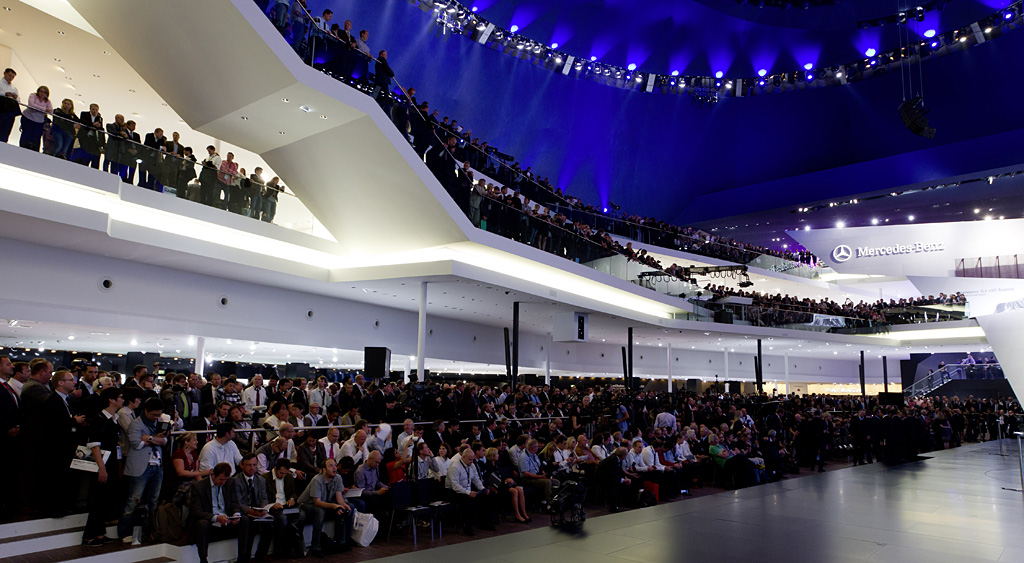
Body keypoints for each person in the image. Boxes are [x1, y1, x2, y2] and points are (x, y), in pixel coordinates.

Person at [118, 398, 168, 542]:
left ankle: (150, 530)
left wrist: (148, 438)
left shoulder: (160, 423)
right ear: (145, 411)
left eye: (159, 415)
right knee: (133, 500)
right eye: (154, 415)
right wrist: (153, 439)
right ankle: (124, 532)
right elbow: (136, 443)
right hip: (140, 466)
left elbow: (164, 441)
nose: (156, 418)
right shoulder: (135, 424)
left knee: (153, 500)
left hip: (157, 465)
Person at [82, 386, 124, 545]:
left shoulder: (113, 419)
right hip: (103, 464)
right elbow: (94, 445)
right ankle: (89, 536)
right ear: (111, 400)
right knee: (98, 500)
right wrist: (102, 467)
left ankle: (99, 533)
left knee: (105, 499)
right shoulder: (100, 419)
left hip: (111, 463)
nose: (122, 400)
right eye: (119, 397)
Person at [189, 462, 250, 563]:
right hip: (210, 519)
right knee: (202, 524)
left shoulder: (230, 482)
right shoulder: (199, 486)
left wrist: (236, 515)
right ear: (213, 475)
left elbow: (235, 503)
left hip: (226, 518)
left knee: (244, 520)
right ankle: (203, 559)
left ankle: (242, 557)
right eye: (221, 479)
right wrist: (216, 518)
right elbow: (196, 511)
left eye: (225, 480)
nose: (223, 482)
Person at [295, 458, 354, 557]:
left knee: (348, 507)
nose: (334, 468)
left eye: (335, 465)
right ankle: (316, 547)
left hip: (324, 502)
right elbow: (317, 502)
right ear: (324, 470)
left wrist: (343, 505)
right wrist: (335, 506)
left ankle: (341, 542)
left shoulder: (338, 478)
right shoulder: (317, 480)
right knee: (320, 511)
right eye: (330, 466)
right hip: (305, 505)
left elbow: (339, 498)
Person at [231, 453, 278, 561]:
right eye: (248, 465)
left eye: (254, 465)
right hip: (244, 511)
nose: (252, 468)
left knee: (270, 522)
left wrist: (262, 509)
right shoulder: (235, 481)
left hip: (257, 510)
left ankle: (261, 553)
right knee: (247, 523)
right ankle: (244, 557)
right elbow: (238, 502)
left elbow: (264, 498)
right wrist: (251, 511)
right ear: (242, 466)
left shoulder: (260, 480)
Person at [446, 446, 495, 535]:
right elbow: (455, 486)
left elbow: (476, 479)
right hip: (454, 492)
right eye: (469, 459)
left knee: (487, 497)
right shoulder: (454, 467)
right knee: (467, 501)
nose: (472, 461)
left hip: (467, 489)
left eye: (472, 459)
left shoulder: (471, 465)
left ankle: (485, 523)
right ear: (463, 457)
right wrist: (468, 493)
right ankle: (467, 527)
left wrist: (482, 488)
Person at [263, 458, 299, 557]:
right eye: (281, 473)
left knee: (301, 515)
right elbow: (263, 497)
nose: (283, 476)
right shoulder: (265, 478)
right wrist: (272, 504)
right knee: (282, 519)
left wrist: (292, 499)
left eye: (285, 473)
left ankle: (294, 547)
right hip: (272, 506)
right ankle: (278, 550)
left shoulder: (289, 477)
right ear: (275, 469)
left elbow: (293, 493)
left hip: (285, 505)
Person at [595, 447, 631, 512]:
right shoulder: (613, 459)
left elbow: (619, 470)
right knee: (614, 485)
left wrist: (625, 477)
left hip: (608, 475)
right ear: (623, 456)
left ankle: (622, 503)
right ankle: (613, 506)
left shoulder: (616, 458)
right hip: (602, 477)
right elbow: (611, 474)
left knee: (621, 482)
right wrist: (622, 480)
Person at [353, 450, 389, 515]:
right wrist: (377, 492)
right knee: (376, 502)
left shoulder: (375, 467)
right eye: (376, 462)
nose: (377, 465)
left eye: (378, 463)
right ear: (370, 459)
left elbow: (377, 482)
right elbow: (361, 492)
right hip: (366, 496)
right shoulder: (360, 472)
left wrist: (386, 487)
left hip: (374, 493)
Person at [19, 85, 52, 152]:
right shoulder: (33, 96)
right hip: (28, 118)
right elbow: (31, 105)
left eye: (44, 92)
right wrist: (44, 109)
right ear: (38, 91)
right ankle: (21, 148)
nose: (42, 93)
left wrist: (38, 108)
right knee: (26, 134)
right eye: (41, 91)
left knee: (36, 137)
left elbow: (51, 110)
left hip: (39, 121)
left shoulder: (47, 101)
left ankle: (34, 151)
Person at [0, 68, 19, 143]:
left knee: (6, 130)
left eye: (12, 77)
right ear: (4, 73)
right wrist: (5, 94)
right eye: (9, 75)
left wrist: (15, 98)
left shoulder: (14, 88)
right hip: (1, 107)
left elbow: (18, 99)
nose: (10, 78)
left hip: (9, 112)